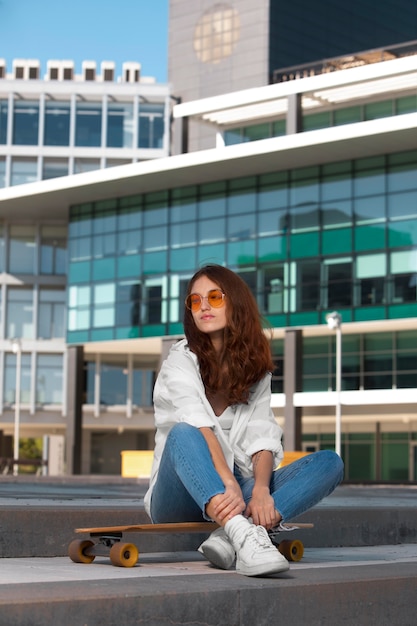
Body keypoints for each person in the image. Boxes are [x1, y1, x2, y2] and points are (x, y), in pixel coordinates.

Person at [144, 264, 344, 577]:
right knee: (183, 433)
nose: (204, 306)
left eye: (214, 297)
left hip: (237, 491)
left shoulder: (256, 371)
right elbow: (200, 425)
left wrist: (262, 489)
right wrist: (226, 481)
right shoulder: (179, 362)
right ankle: (244, 535)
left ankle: (231, 537)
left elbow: (263, 434)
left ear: (235, 301)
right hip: (176, 497)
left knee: (329, 463)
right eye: (195, 301)